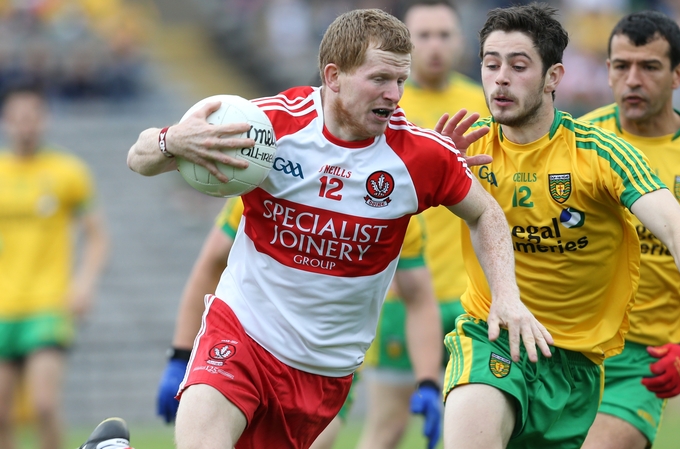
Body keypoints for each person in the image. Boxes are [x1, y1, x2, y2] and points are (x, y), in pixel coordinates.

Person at [116, 9, 549, 449]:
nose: (394, 94)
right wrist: (173, 141)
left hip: (324, 372)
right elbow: (139, 156)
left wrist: (507, 297)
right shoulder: (269, 126)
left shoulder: (420, 155)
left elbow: (487, 214)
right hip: (242, 330)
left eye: (401, 80)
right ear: (334, 75)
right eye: (380, 79)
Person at [433, 4, 680, 449]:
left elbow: (675, 223)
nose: (500, 77)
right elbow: (376, 188)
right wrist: (430, 170)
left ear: (553, 77)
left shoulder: (601, 151)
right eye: (490, 63)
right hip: (494, 335)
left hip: (588, 360)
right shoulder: (464, 147)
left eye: (518, 66)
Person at [579, 11, 680, 449]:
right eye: (621, 66)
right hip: (565, 345)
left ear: (678, 75)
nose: (632, 79)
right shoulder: (577, 142)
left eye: (649, 67)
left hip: (642, 361)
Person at [155, 196, 441, 449]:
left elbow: (418, 297)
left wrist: (427, 381)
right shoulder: (275, 177)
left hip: (323, 371)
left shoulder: (397, 207)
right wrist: (179, 356)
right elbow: (213, 260)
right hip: (249, 344)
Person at [355, 1, 489, 448]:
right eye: (423, 36)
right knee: (388, 427)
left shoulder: (483, 104)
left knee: (471, 430)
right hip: (403, 295)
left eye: (444, 35)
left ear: (460, 41)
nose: (434, 47)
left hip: (472, 299)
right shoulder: (384, 104)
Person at [0, 86, 108, 449]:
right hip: (3, 305)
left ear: (44, 120)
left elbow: (97, 236)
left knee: (44, 405)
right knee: (1, 413)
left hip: (48, 303)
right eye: (17, 118)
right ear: (6, 121)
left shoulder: (67, 172)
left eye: (32, 117)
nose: (24, 126)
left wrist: (85, 284)